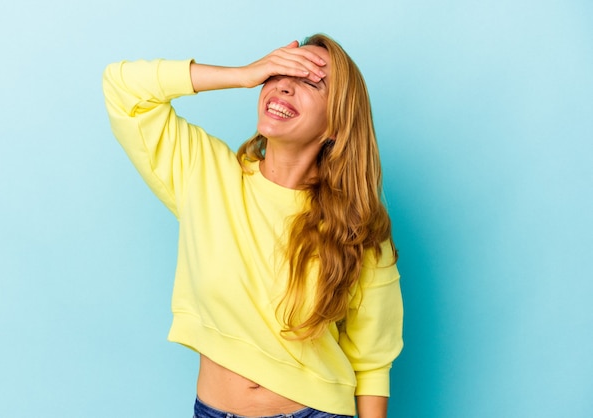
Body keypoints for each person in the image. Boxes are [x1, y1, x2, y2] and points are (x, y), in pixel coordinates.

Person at [103, 33, 403, 418]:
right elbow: (122, 87)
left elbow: (373, 362)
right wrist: (244, 74)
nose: (284, 85)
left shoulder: (356, 226)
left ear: (336, 125)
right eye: (279, 72)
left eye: (311, 81)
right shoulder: (204, 173)